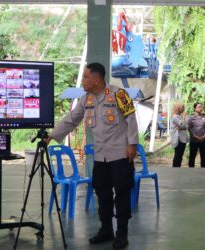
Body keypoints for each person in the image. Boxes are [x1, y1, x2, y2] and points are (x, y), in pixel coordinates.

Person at [45, 63, 138, 250]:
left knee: (121, 194)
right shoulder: (86, 99)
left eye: (85, 77)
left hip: (120, 155)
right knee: (102, 194)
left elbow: (131, 119)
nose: (82, 81)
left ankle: (122, 234)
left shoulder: (119, 94)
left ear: (96, 80)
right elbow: (71, 119)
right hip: (100, 156)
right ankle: (106, 230)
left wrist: (132, 144)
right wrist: (52, 136)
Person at [188, 102, 205, 168]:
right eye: (199, 107)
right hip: (194, 140)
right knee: (192, 156)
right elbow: (189, 128)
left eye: (201, 107)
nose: (201, 108)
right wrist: (194, 136)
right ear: (195, 108)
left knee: (203, 156)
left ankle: (204, 170)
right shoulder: (191, 118)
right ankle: (191, 169)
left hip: (203, 140)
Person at [170, 102, 188, 167]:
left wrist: (182, 126)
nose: (183, 109)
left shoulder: (179, 116)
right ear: (178, 108)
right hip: (178, 139)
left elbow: (186, 126)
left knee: (180, 155)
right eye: (182, 107)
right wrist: (184, 117)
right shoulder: (175, 116)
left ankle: (178, 168)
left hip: (183, 138)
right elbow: (183, 125)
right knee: (177, 155)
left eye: (184, 107)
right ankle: (175, 169)